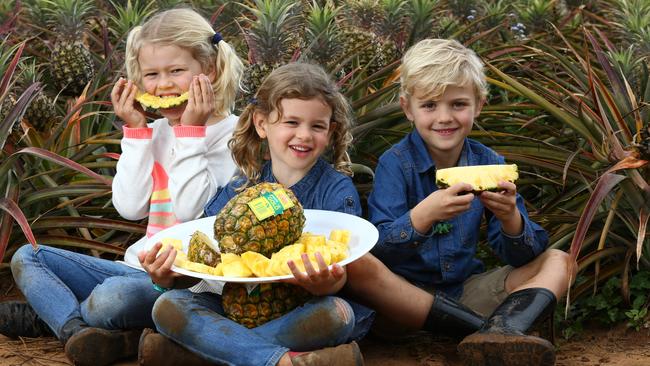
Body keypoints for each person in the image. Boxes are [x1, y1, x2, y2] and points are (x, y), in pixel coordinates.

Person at [0, 8, 243, 366]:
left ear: (210, 70)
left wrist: (191, 133)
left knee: (111, 299)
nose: (162, 85)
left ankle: (56, 317)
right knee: (29, 256)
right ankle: (76, 331)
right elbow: (130, 207)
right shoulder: (155, 133)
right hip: (138, 269)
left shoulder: (237, 139)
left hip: (190, 285)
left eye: (176, 71)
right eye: (151, 74)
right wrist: (136, 132)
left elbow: (195, 212)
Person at [343, 39, 574, 366]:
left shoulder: (489, 161)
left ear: (478, 105)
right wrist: (422, 217)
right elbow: (380, 251)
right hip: (403, 303)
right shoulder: (395, 163)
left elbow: (522, 255)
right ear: (407, 107)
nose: (444, 117)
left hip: (464, 293)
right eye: (429, 105)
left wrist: (510, 219)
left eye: (458, 104)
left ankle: (505, 329)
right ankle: (486, 333)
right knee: (361, 266)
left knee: (559, 261)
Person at [137, 62, 373, 366]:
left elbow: (345, 271)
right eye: (291, 122)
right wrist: (168, 277)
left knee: (336, 314)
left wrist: (327, 284)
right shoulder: (240, 187)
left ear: (331, 132)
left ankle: (197, 352)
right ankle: (283, 361)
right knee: (169, 303)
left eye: (316, 126)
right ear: (262, 124)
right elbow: (209, 257)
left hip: (303, 308)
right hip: (238, 305)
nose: (304, 135)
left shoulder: (337, 191)